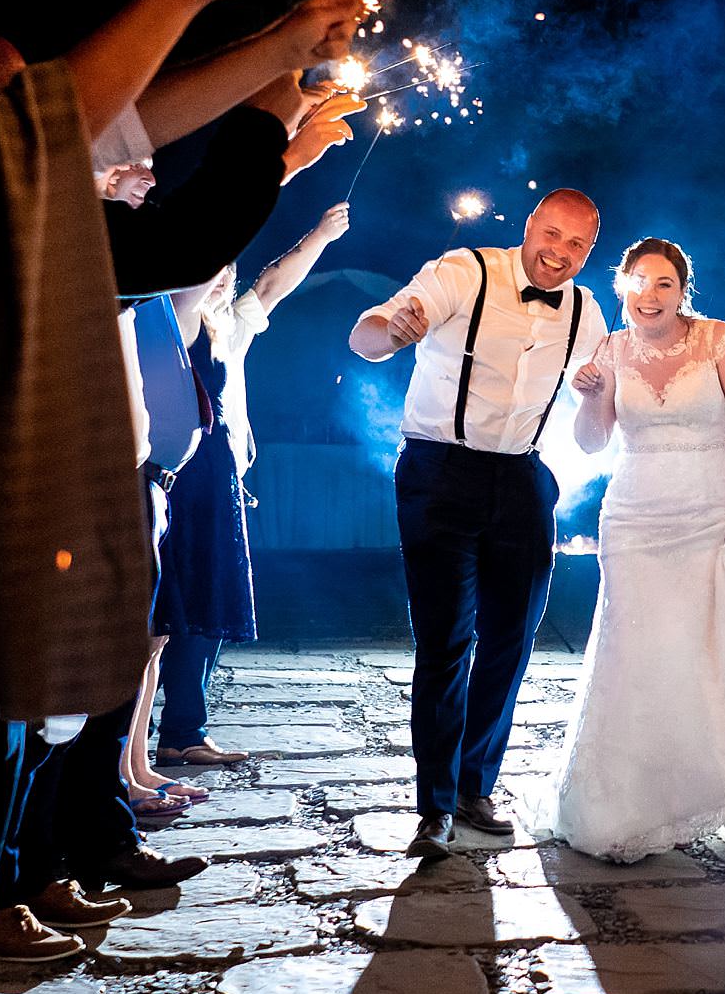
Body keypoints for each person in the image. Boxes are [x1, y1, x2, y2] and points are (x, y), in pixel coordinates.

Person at [531, 239, 725, 859]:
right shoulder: (608, 350)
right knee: (637, 650)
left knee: (719, 646)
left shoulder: (721, 342)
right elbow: (594, 444)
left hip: (713, 511)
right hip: (633, 517)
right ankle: (628, 802)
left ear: (683, 292)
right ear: (621, 284)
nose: (650, 297)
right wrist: (589, 395)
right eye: (640, 283)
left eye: (665, 286)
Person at [348, 189, 607, 859]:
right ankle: (432, 806)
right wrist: (390, 330)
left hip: (523, 479)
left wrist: (597, 397)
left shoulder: (586, 312)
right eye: (551, 234)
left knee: (512, 640)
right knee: (445, 642)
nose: (559, 252)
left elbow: (597, 407)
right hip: (440, 471)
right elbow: (371, 333)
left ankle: (474, 785)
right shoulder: (464, 270)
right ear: (529, 226)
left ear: (590, 252)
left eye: (577, 244)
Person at [154, 205, 353, 768]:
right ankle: (133, 739)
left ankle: (183, 729)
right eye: (209, 268)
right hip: (170, 481)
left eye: (226, 270)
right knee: (162, 610)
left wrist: (319, 234)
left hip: (219, 482)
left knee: (209, 605)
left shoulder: (231, 327)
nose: (221, 279)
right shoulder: (163, 320)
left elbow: (275, 283)